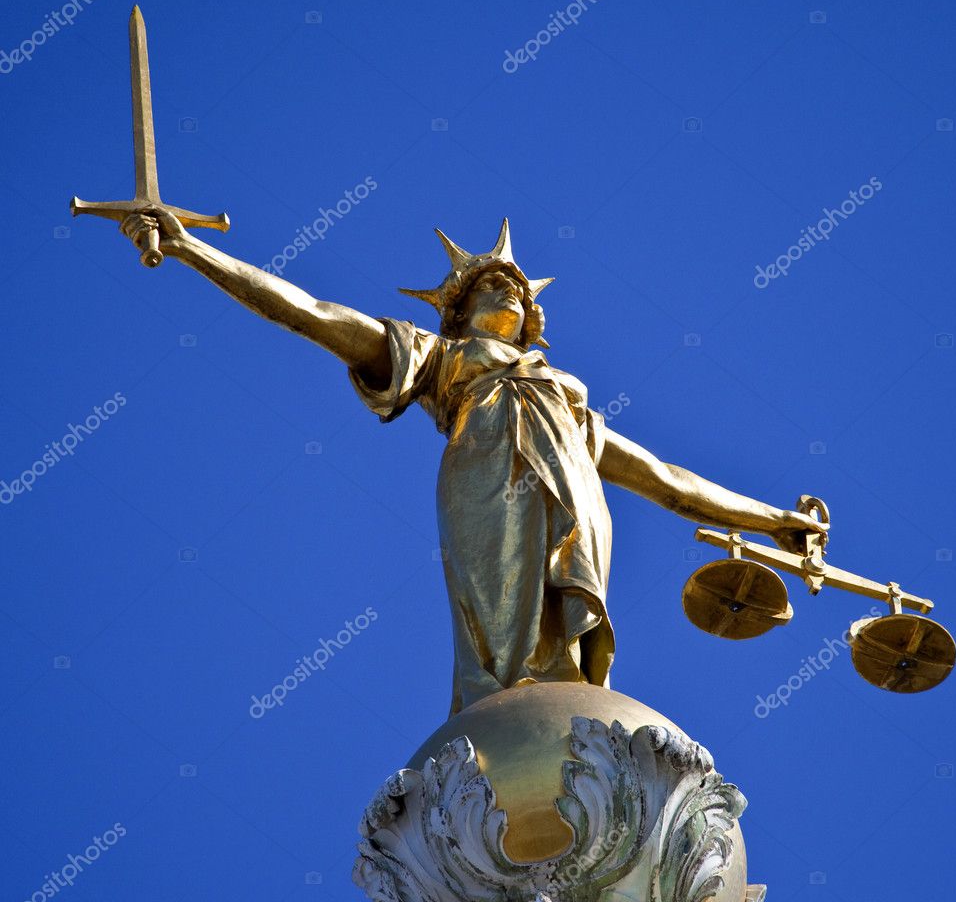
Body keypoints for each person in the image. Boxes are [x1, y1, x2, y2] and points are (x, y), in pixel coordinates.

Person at [120, 212, 825, 714]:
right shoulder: (444, 361)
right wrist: (192, 252)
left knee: (566, 632)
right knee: (500, 631)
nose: (510, 296)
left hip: (577, 501)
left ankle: (564, 704)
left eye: (517, 292)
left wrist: (773, 523)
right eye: (492, 287)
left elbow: (667, 480)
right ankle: (506, 714)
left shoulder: (566, 397)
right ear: (455, 315)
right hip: (488, 483)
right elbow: (311, 311)